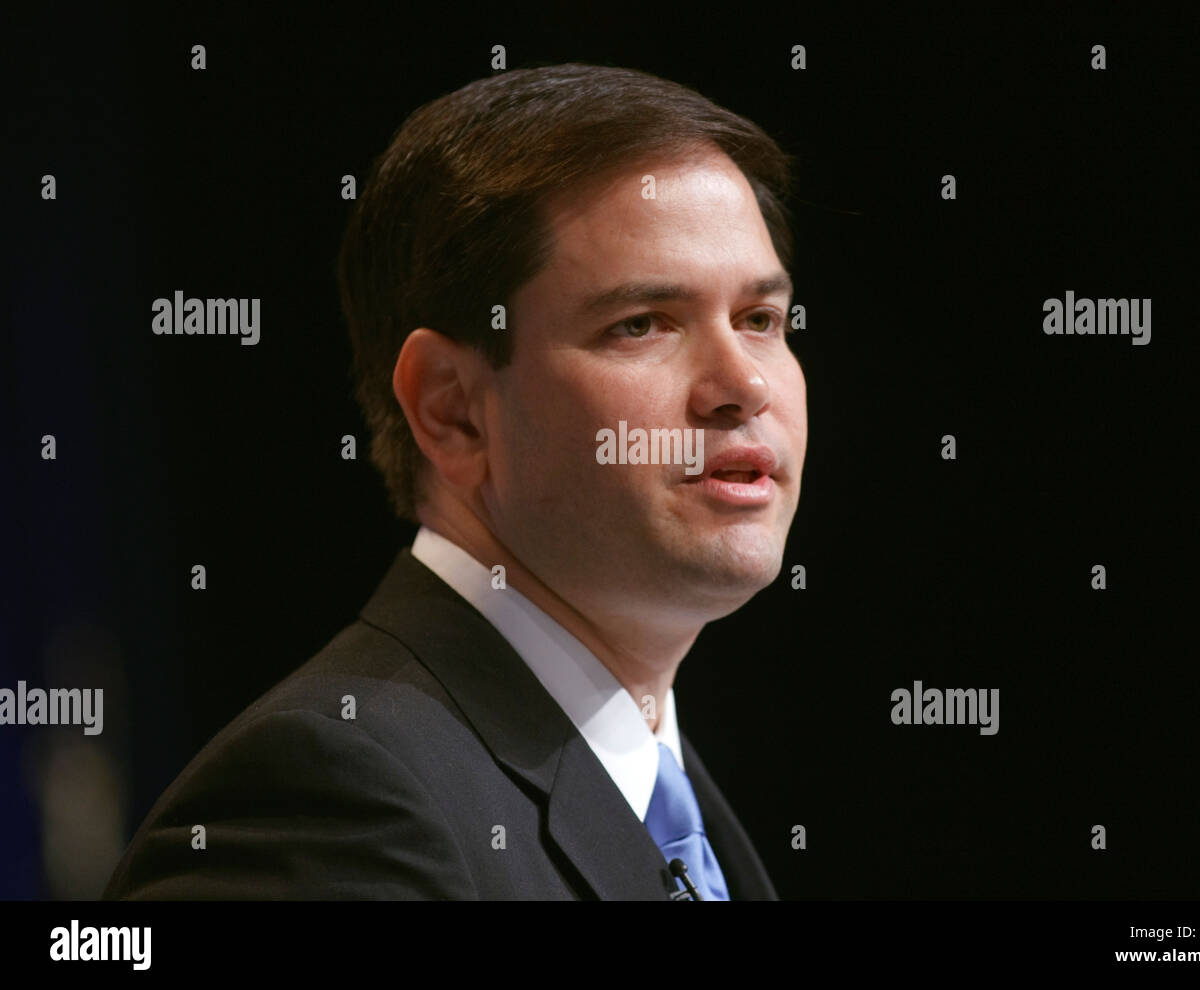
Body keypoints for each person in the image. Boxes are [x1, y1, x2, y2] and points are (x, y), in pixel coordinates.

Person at [103, 63, 807, 900]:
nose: (746, 384)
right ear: (453, 411)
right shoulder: (332, 802)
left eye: (760, 319)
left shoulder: (669, 798)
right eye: (642, 324)